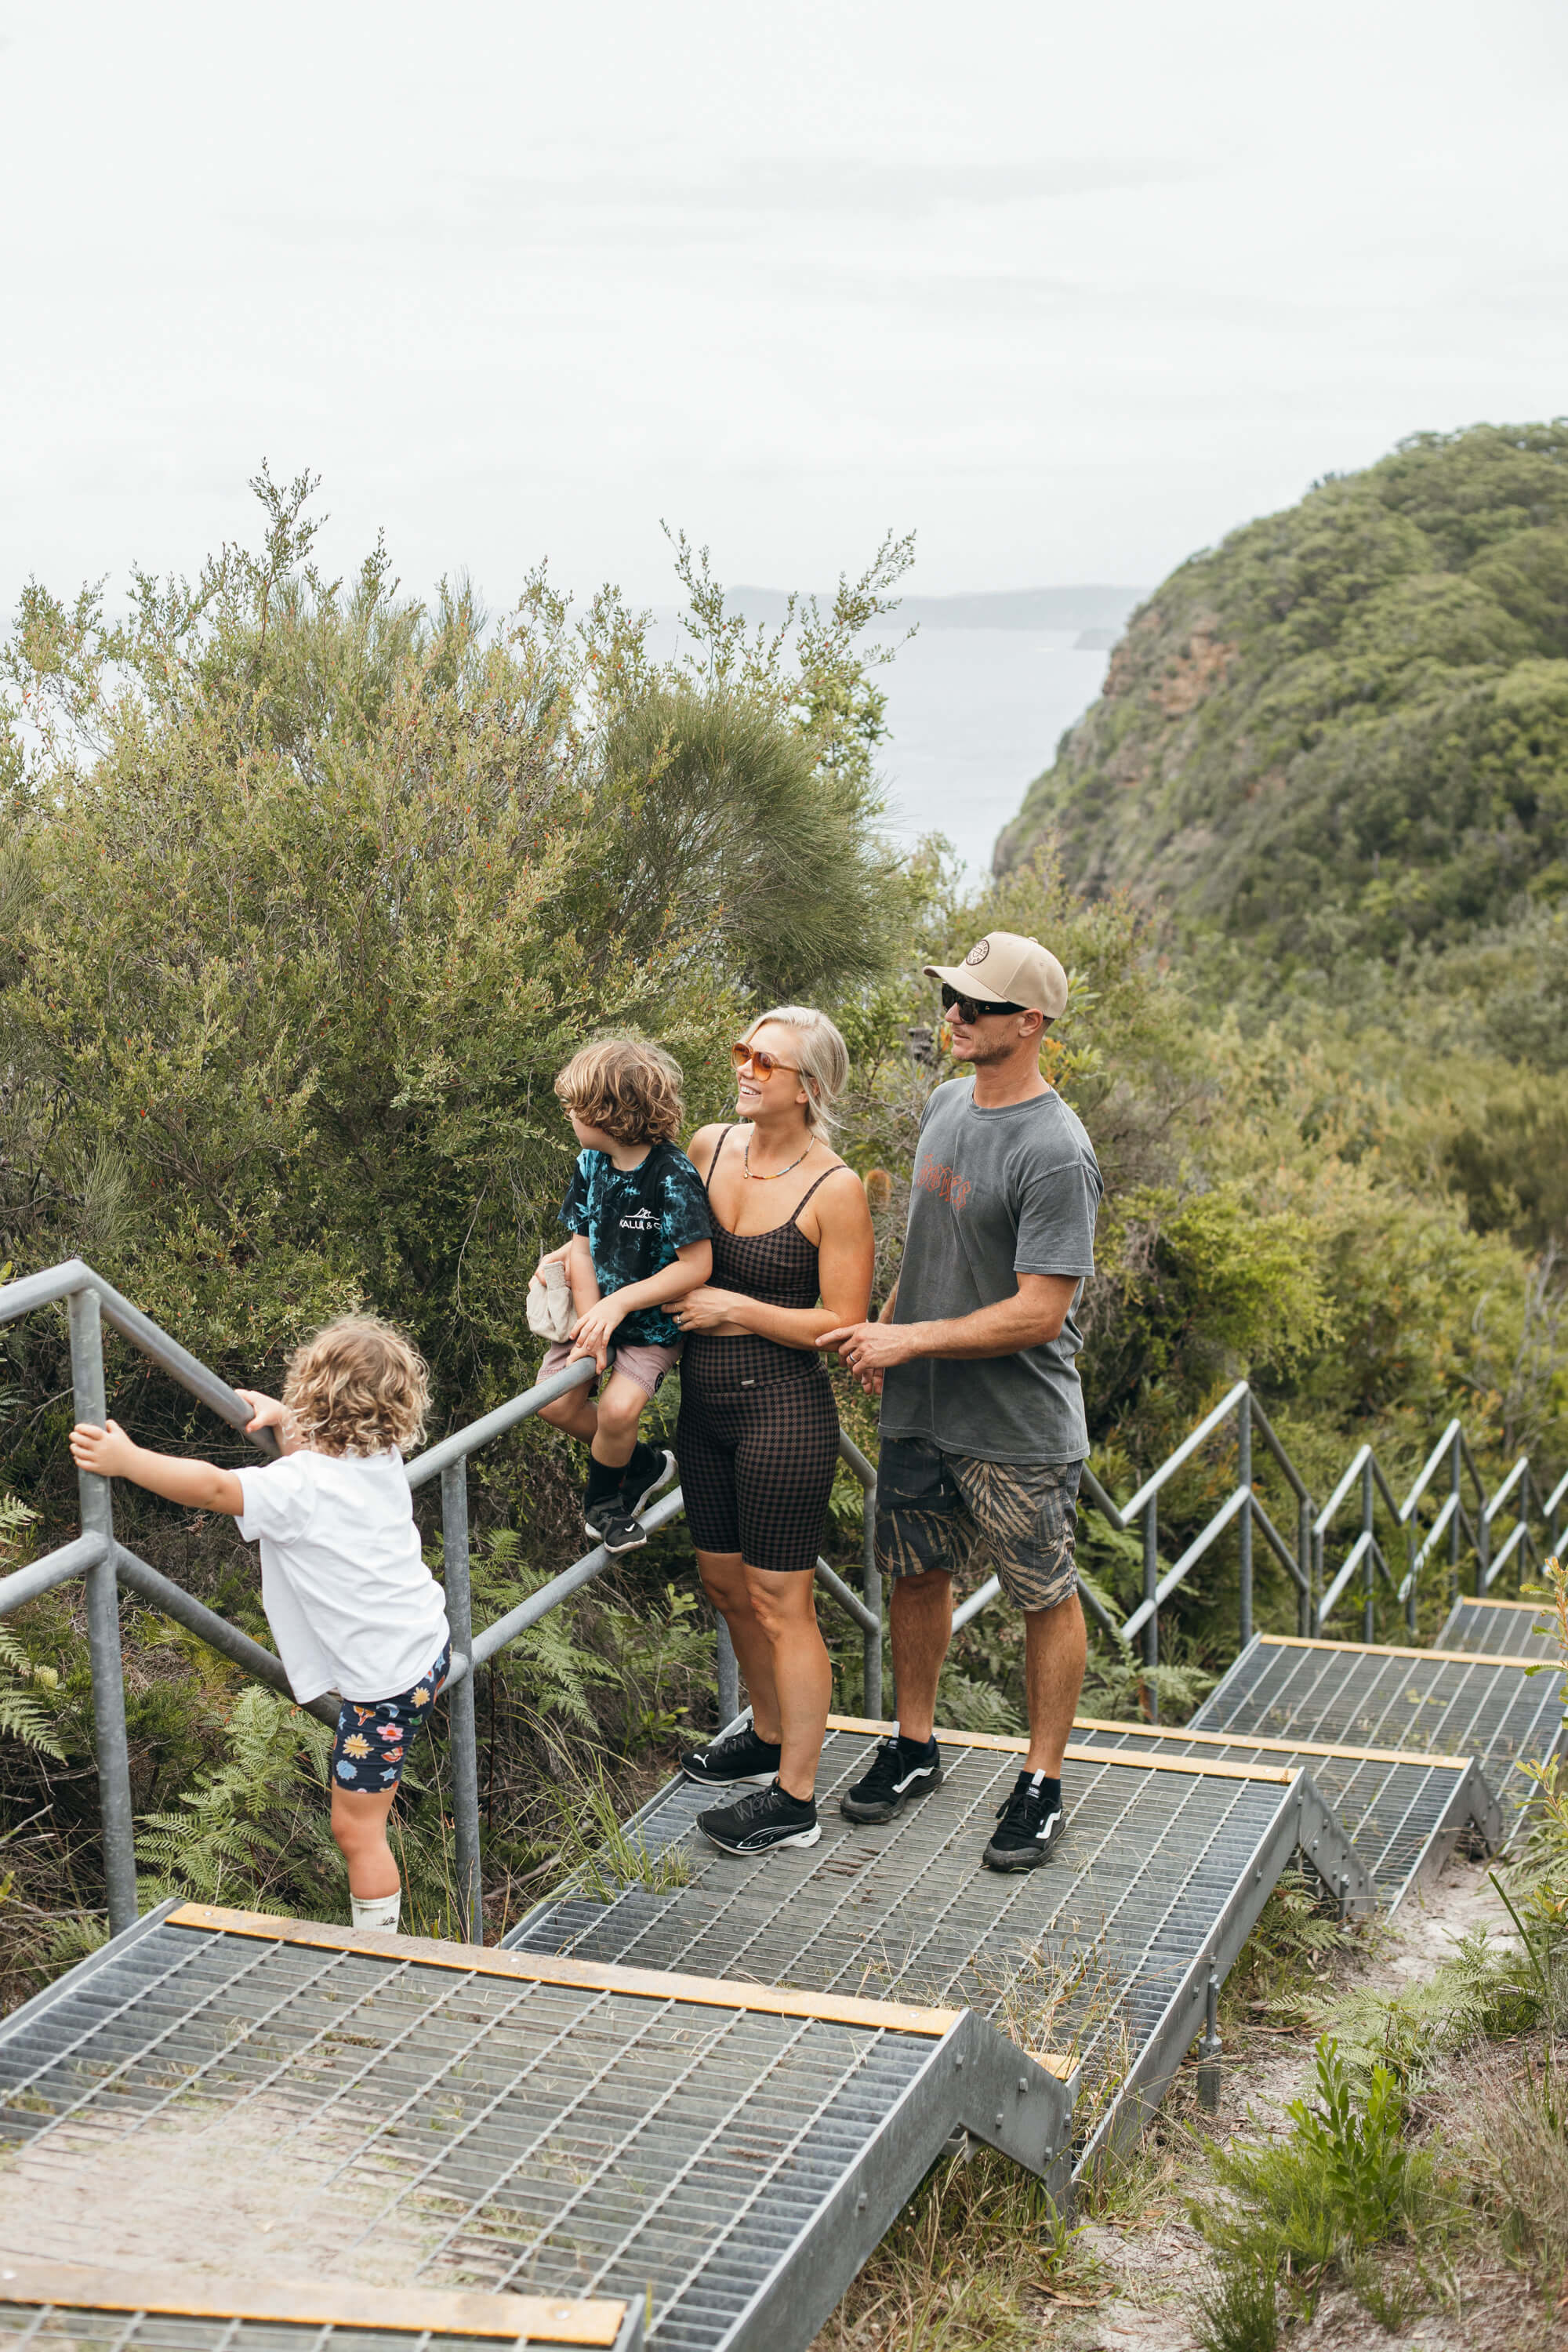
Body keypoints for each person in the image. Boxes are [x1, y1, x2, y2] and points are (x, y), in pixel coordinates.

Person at [819, 931, 1102, 1871]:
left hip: (1015, 1425)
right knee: (914, 1573)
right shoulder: (945, 1105)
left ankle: (1041, 1784)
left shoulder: (1055, 1150)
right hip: (921, 1408)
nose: (954, 1014)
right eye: (951, 997)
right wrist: (891, 1321)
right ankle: (913, 1747)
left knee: (1041, 1595)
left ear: (1030, 1024)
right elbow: (932, 1241)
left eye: (977, 1005)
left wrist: (909, 1340)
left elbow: (1039, 1311)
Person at [68, 1316, 450, 1934]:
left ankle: (379, 1956)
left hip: (384, 1688)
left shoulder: (298, 1486)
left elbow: (214, 1489)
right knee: (361, 1821)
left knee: (358, 1832)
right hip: (426, 1646)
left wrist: (129, 1460)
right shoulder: (378, 1454)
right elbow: (320, 1460)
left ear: (312, 1393)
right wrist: (287, 1422)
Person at [672, 1007, 875, 1857]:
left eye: (766, 1061)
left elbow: (842, 1322)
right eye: (742, 1053)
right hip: (702, 1410)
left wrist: (737, 1307)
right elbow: (659, 1247)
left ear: (809, 1087)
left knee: (780, 1601)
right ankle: (762, 1734)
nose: (745, 1069)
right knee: (724, 1586)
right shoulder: (708, 1146)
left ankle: (794, 1800)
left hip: (782, 1413)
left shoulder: (836, 1188)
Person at [533, 1040, 714, 1556]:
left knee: (616, 1411)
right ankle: (642, 1465)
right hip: (600, 1313)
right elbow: (581, 1248)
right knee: (554, 1403)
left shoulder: (671, 1174)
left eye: (574, 1107)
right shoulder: (591, 1164)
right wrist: (596, 1320)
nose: (568, 1115)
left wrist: (621, 1305)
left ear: (607, 1113)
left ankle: (604, 1507)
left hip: (653, 1326)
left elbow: (696, 1265)